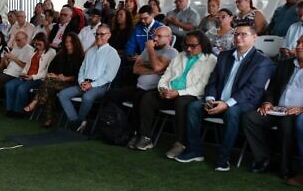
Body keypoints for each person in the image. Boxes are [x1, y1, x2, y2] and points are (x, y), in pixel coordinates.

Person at [175, 25, 274, 171]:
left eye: (243, 34)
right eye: (236, 34)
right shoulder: (224, 55)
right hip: (217, 99)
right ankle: (194, 150)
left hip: (241, 103)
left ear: (254, 38)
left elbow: (253, 89)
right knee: (194, 107)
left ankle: (223, 158)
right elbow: (213, 80)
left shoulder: (262, 61)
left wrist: (227, 104)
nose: (238, 37)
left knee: (232, 113)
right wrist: (209, 98)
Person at [137, 30, 217, 159]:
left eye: (193, 46)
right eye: (186, 45)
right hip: (170, 92)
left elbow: (202, 86)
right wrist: (163, 89)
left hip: (191, 94)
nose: (189, 49)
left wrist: (178, 93)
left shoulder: (211, 60)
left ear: (202, 44)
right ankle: (145, 136)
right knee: (148, 97)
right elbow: (165, 76)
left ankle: (181, 143)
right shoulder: (179, 56)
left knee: (182, 102)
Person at [242, 34, 303, 179]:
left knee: (286, 122)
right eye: (298, 43)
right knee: (249, 118)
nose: (299, 46)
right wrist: (268, 102)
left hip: (297, 113)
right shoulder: (285, 64)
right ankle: (263, 159)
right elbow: (272, 88)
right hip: (277, 109)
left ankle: (285, 167)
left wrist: (301, 109)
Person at [107, 26, 177, 150]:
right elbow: (136, 69)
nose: (155, 38)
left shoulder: (171, 52)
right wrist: (155, 66)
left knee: (139, 98)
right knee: (112, 94)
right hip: (139, 86)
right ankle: (120, 126)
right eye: (155, 35)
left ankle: (138, 134)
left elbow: (156, 67)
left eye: (159, 36)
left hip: (153, 90)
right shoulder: (147, 50)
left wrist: (150, 50)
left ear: (169, 38)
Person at [58, 24, 121, 133]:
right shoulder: (91, 51)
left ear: (109, 36)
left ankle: (79, 122)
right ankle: (76, 122)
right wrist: (82, 82)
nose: (98, 36)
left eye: (102, 34)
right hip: (85, 83)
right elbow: (82, 69)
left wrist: (92, 85)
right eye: (97, 34)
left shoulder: (112, 53)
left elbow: (109, 76)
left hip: (100, 87)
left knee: (87, 97)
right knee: (63, 94)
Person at [24, 32, 84, 127]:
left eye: (71, 42)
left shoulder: (80, 57)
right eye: (66, 42)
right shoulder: (61, 54)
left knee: (47, 84)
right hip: (55, 82)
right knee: (49, 88)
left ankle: (36, 102)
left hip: (70, 84)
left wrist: (65, 78)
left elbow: (78, 75)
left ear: (75, 43)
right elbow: (51, 68)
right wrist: (55, 75)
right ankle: (48, 119)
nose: (68, 44)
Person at [4, 34, 55, 117]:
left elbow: (47, 71)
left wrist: (33, 77)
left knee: (21, 88)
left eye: (39, 44)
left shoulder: (51, 52)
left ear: (45, 42)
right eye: (36, 44)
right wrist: (24, 72)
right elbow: (27, 65)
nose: (37, 46)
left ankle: (19, 111)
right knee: (9, 85)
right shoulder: (33, 51)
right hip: (27, 75)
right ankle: (10, 109)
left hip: (38, 78)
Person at [0, 31, 33, 111]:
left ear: (26, 39)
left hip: (15, 74)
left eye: (19, 40)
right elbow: (8, 65)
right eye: (16, 40)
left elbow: (25, 66)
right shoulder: (16, 48)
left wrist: (13, 57)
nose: (17, 42)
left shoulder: (29, 49)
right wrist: (6, 59)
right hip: (7, 71)